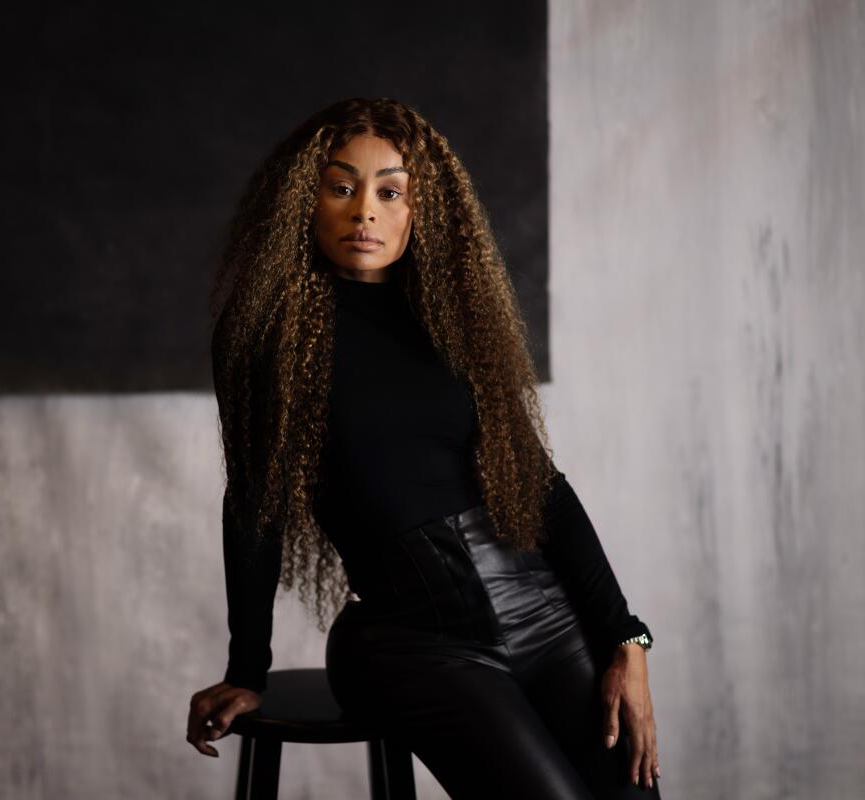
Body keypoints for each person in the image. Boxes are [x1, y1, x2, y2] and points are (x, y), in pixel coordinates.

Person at [186, 97, 663, 798]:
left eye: (390, 191)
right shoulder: (264, 333)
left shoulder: (458, 318)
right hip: (413, 640)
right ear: (304, 199)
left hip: (546, 614)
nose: (365, 212)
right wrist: (246, 669)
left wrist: (627, 638)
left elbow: (538, 484)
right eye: (342, 186)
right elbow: (253, 503)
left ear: (421, 209)